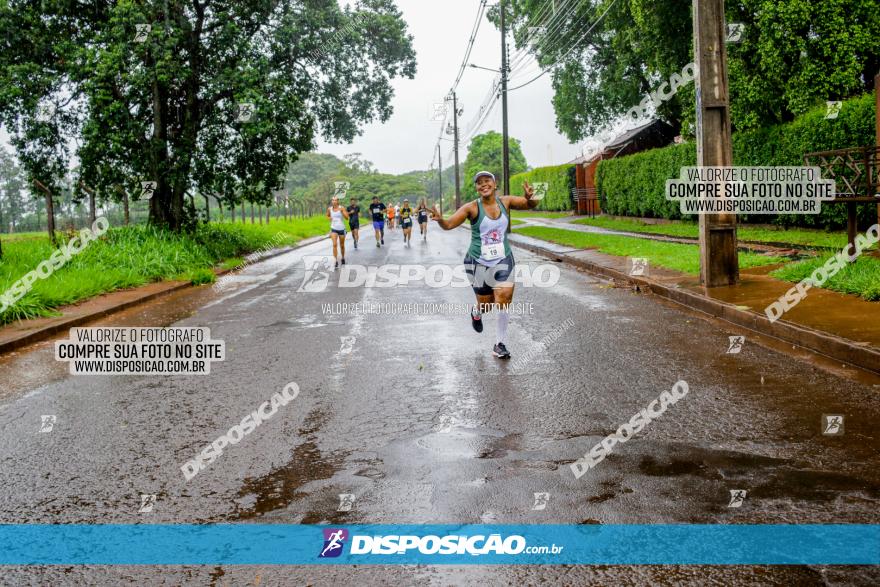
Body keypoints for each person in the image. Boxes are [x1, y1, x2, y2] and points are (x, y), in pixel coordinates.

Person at [430, 171, 538, 359]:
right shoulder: (471, 208)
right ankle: (476, 312)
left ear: (495, 184)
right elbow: (448, 225)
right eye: (479, 183)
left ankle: (499, 344)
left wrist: (532, 197)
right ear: (477, 188)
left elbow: (529, 204)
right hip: (477, 261)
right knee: (486, 305)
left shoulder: (506, 202)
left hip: (503, 258)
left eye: (487, 181)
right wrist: (440, 220)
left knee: (503, 297)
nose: (483, 184)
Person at [327, 196, 350, 269]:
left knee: (342, 245)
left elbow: (347, 218)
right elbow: (327, 216)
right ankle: (335, 260)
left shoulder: (342, 208)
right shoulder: (329, 209)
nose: (334, 201)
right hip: (333, 229)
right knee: (334, 245)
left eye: (335, 200)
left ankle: (343, 257)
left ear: (338, 201)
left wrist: (342, 212)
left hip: (341, 229)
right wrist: (329, 218)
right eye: (333, 200)